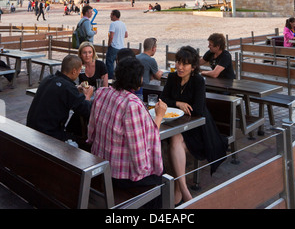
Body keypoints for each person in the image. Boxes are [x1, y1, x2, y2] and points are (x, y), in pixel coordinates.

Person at [87, 57, 167, 208]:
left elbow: (91, 131)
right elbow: (139, 154)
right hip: (119, 175)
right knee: (161, 180)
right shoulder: (131, 104)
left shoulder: (102, 93)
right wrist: (159, 116)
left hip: (101, 163)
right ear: (137, 79)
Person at [161, 46, 228, 205]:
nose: (180, 67)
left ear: (193, 67)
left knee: (174, 143)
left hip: (199, 129)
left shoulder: (198, 80)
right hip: (177, 126)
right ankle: (185, 192)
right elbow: (163, 100)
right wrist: (178, 103)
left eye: (185, 64)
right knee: (175, 139)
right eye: (178, 62)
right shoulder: (172, 77)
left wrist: (179, 106)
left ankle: (179, 191)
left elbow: (197, 109)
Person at [26, 55, 93, 143]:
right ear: (74, 71)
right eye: (80, 70)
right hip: (48, 134)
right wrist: (87, 96)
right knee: (82, 142)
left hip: (31, 128)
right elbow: (86, 110)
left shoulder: (48, 79)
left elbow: (60, 89)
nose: (79, 73)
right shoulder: (68, 88)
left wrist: (75, 89)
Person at [105, 10, 128, 79]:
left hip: (114, 46)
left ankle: (110, 78)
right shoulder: (123, 24)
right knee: (119, 64)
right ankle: (118, 78)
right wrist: (119, 35)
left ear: (115, 16)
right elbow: (126, 35)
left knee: (109, 63)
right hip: (121, 47)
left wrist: (109, 44)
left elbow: (111, 35)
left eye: (111, 15)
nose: (110, 16)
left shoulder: (113, 24)